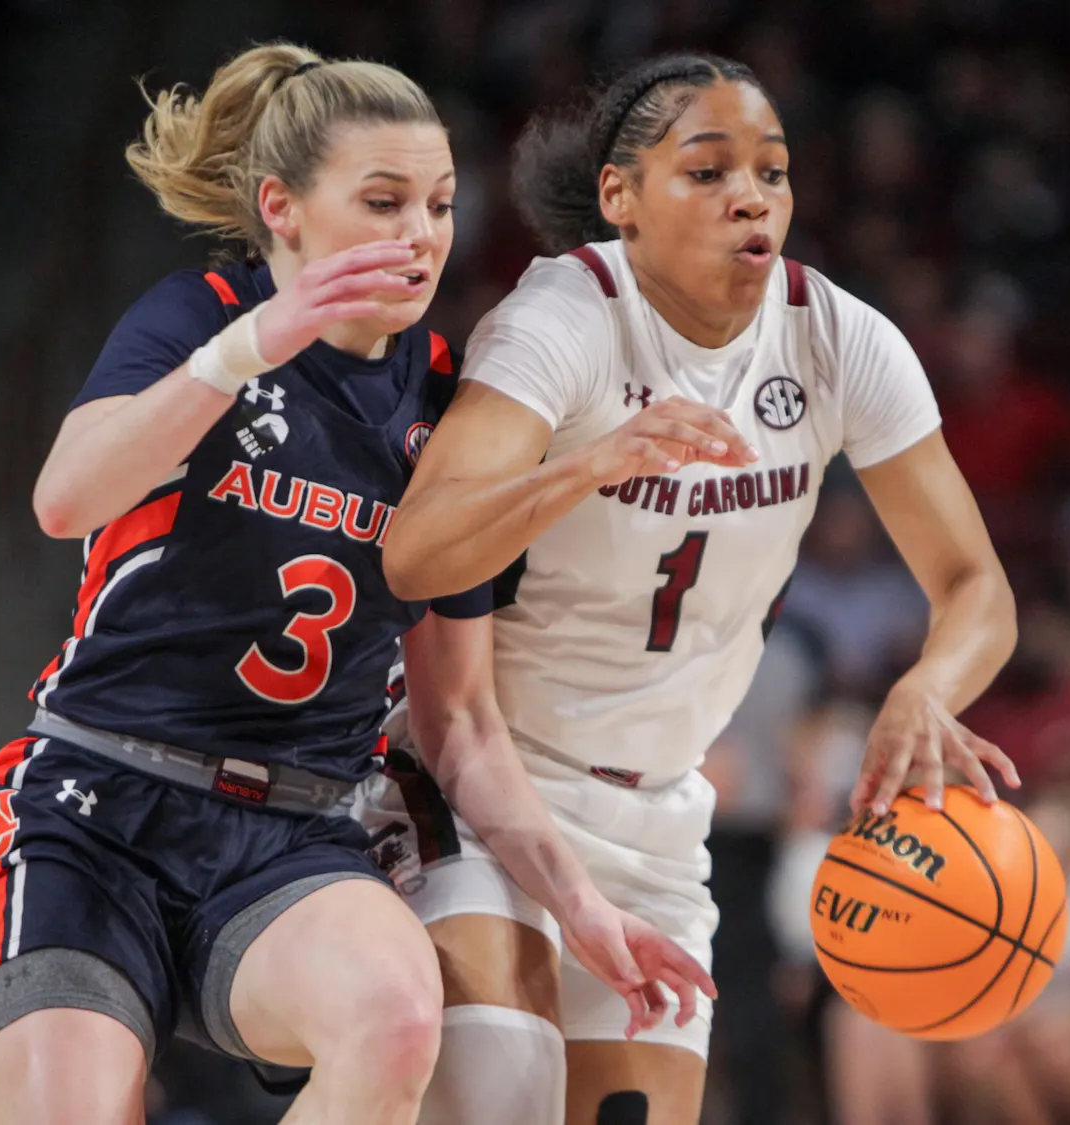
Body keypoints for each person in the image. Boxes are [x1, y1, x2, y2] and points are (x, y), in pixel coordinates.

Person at [0, 42, 709, 1125]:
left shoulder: (448, 406)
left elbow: (463, 725)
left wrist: (582, 906)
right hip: (92, 804)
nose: (421, 236)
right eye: (385, 202)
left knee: (396, 1017)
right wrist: (252, 346)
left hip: (289, 830)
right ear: (283, 209)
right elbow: (65, 501)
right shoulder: (201, 314)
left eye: (441, 205)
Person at [375, 52, 1021, 1125]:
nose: (751, 197)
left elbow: (977, 589)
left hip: (661, 818)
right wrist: (587, 463)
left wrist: (927, 691)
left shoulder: (838, 338)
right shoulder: (563, 321)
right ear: (622, 201)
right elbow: (419, 552)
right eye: (710, 171)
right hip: (484, 781)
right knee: (499, 1091)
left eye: (772, 171)